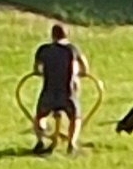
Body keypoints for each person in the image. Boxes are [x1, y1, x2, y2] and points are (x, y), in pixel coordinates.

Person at [31, 21, 93, 155]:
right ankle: (72, 144)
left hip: (49, 91)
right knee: (75, 118)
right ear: (67, 35)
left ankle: (40, 141)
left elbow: (36, 69)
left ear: (52, 35)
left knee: (40, 117)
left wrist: (43, 73)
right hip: (68, 92)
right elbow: (85, 68)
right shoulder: (72, 49)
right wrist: (80, 74)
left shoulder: (43, 50)